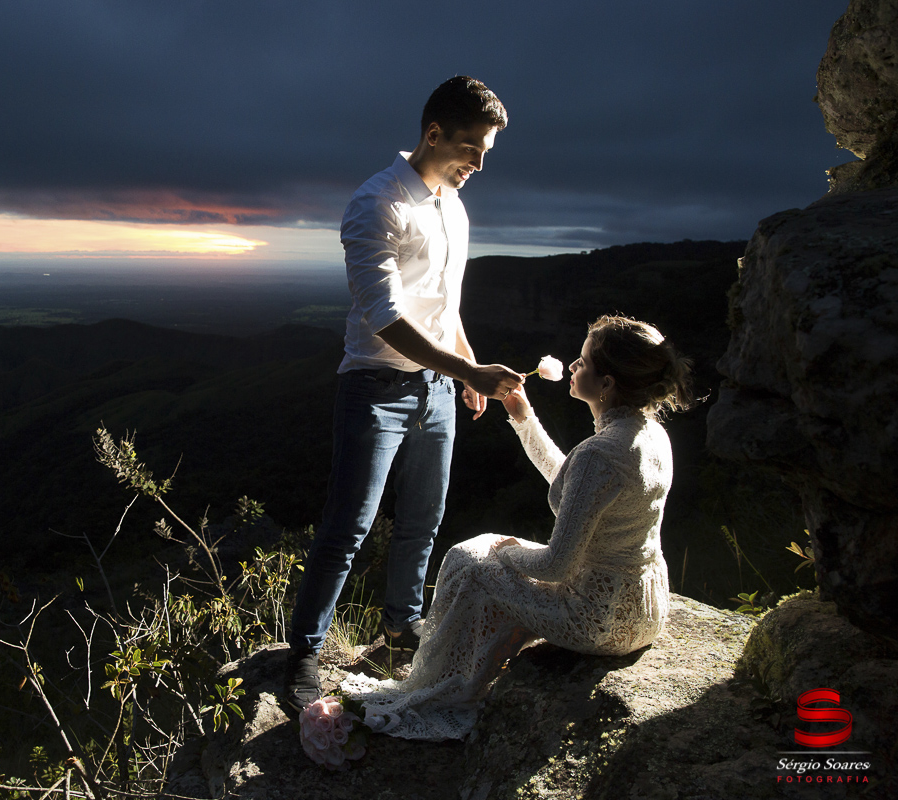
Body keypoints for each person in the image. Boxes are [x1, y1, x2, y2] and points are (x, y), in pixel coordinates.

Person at [283, 76, 525, 711]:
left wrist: (465, 367)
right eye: (470, 146)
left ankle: (401, 623)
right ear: (433, 133)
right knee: (349, 526)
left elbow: (446, 304)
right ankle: (304, 652)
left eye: (486, 152)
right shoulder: (377, 203)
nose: (478, 162)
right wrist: (468, 371)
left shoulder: (454, 205)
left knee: (423, 519)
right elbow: (385, 317)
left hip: (439, 385)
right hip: (374, 387)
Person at [340, 315, 694, 740]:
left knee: (468, 561)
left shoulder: (600, 453)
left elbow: (558, 566)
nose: (574, 367)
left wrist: (505, 551)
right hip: (646, 609)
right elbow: (575, 482)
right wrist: (524, 420)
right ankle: (456, 672)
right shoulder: (650, 435)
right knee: (483, 556)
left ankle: (442, 687)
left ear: (607, 384)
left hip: (597, 617)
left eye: (582, 363)